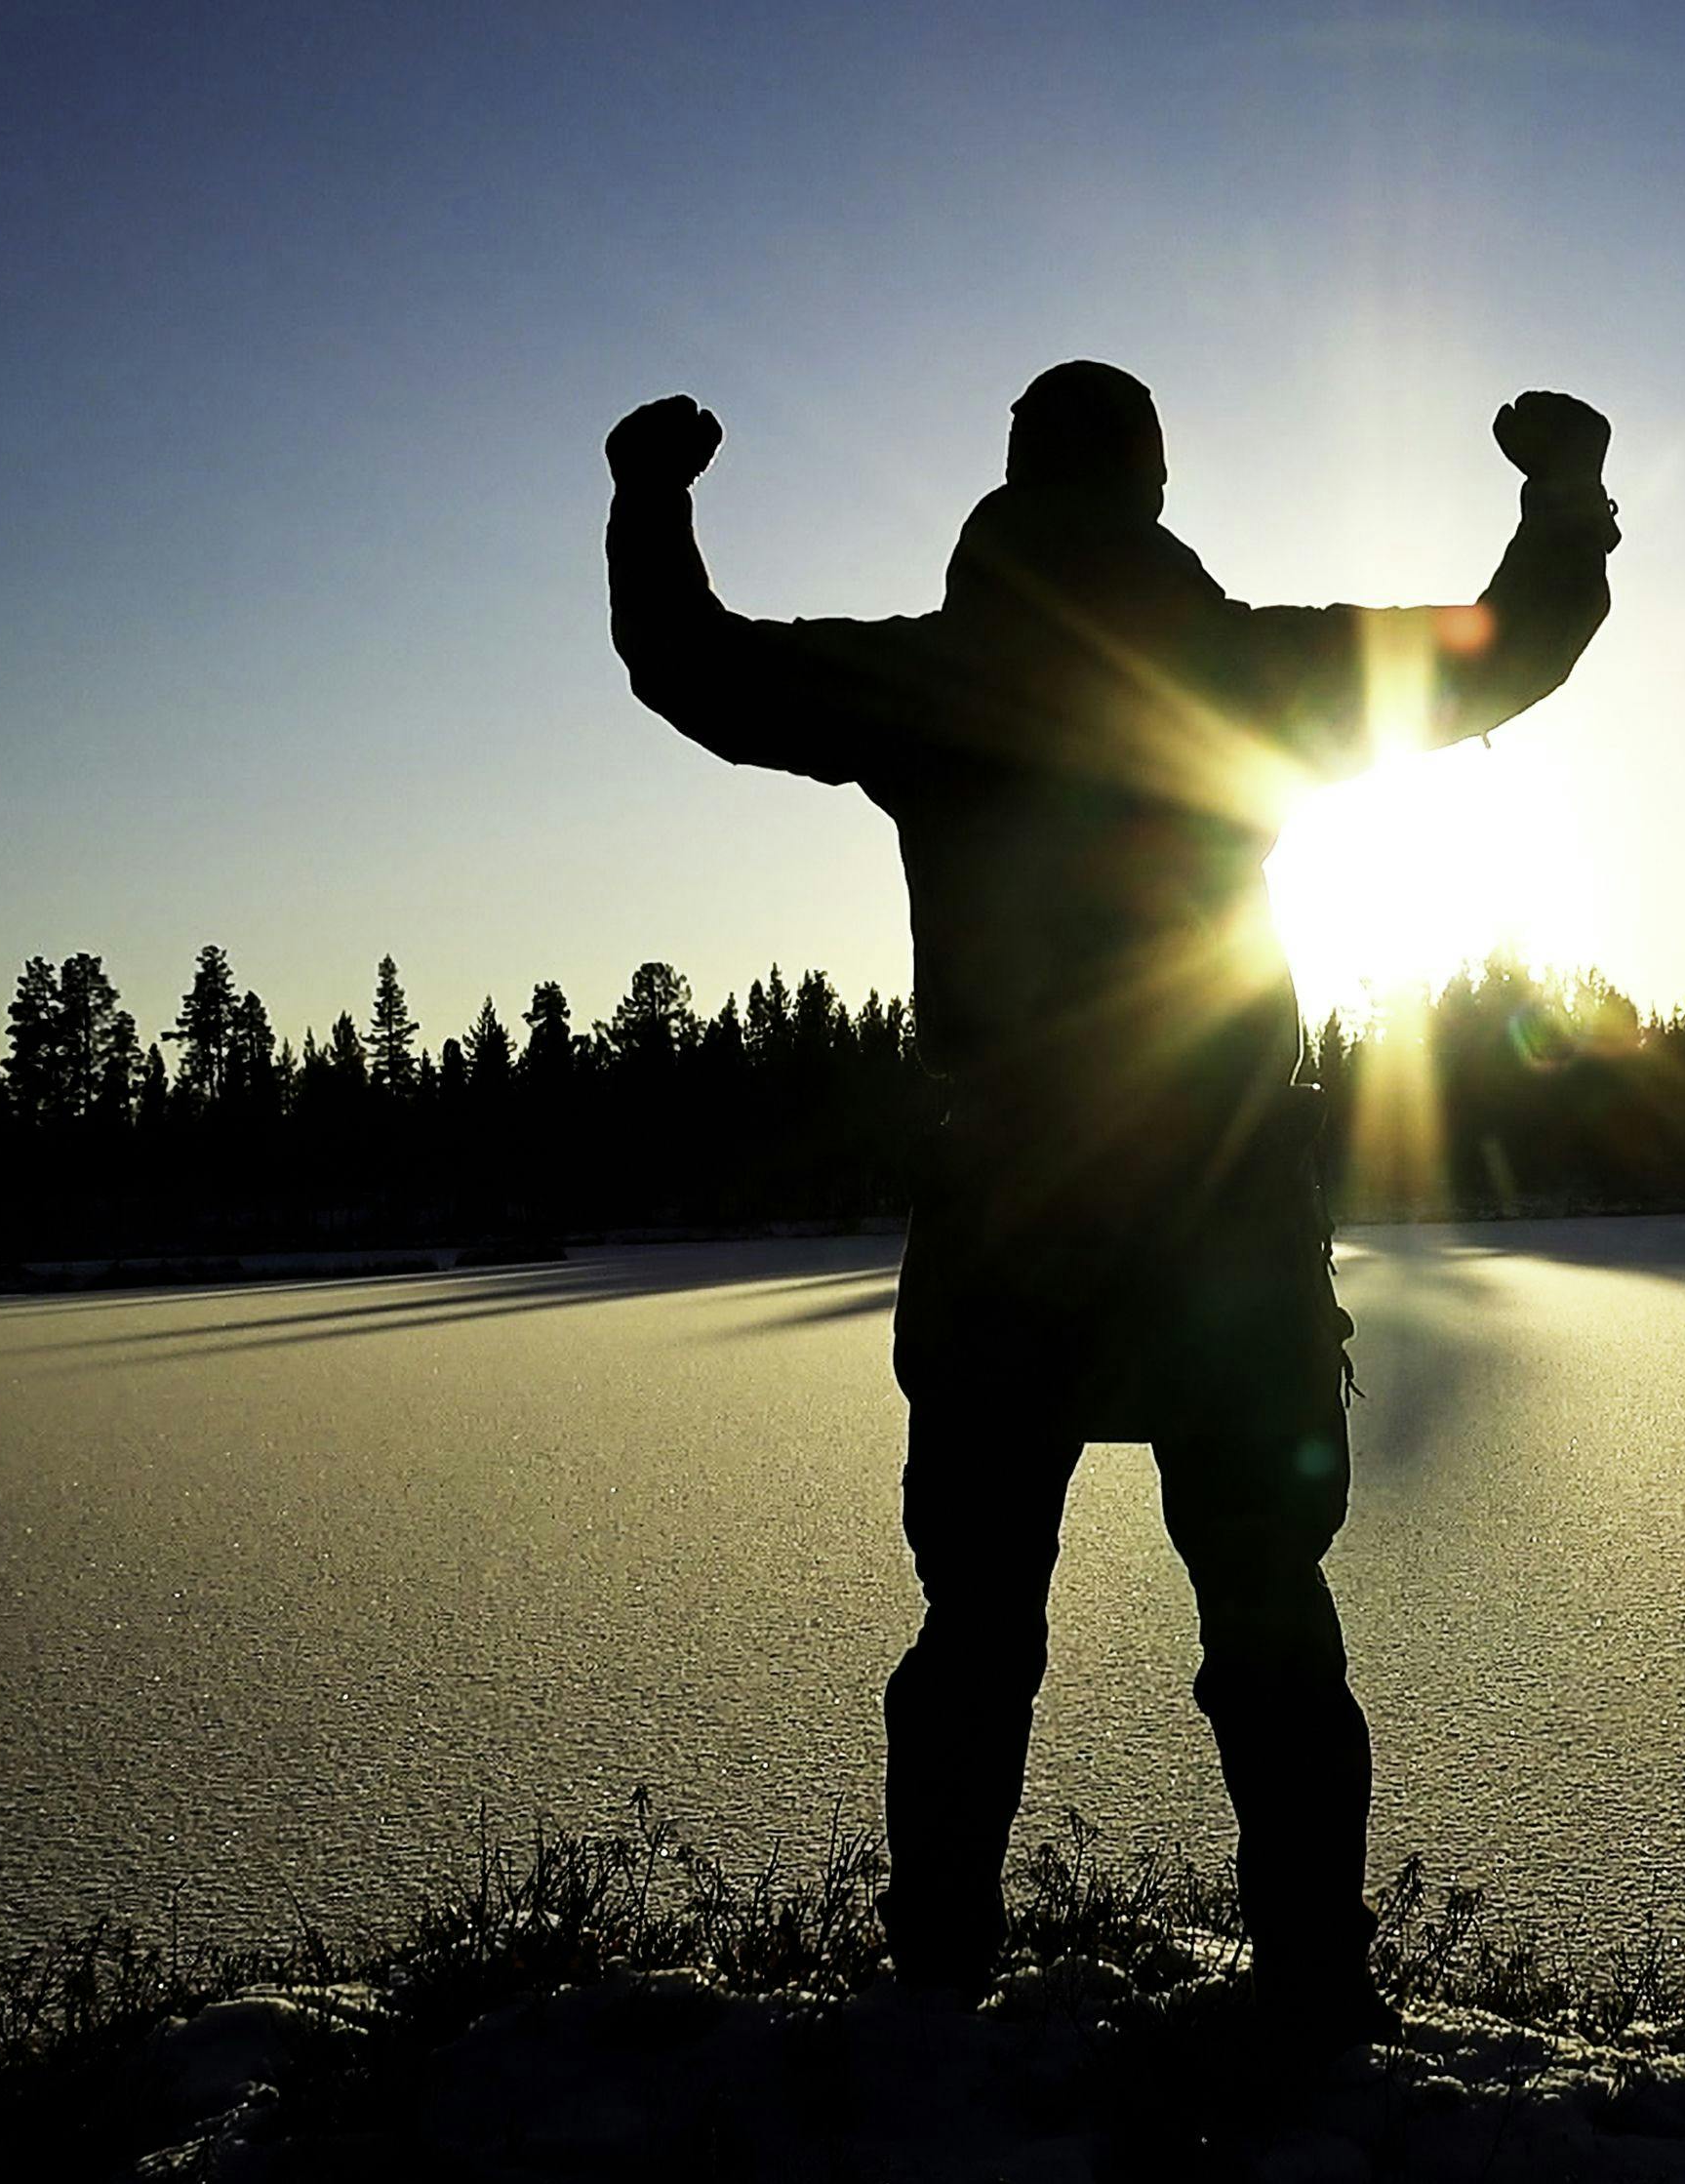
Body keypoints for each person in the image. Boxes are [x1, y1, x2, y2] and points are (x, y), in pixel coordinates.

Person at [607, 360, 1617, 2035]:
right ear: (1153, 484)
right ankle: (1310, 1981)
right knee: (1270, 1612)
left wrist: (655, 500)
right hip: (1225, 1218)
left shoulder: (943, 677)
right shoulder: (1244, 668)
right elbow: (1510, 645)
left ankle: (937, 1976)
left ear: (1012, 480)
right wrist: (1562, 491)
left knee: (977, 1625)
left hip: (1008, 1215)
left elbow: (695, 667)